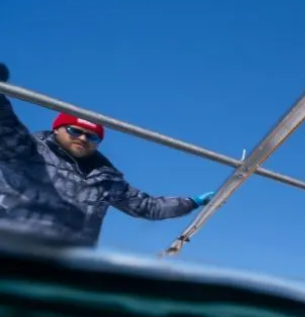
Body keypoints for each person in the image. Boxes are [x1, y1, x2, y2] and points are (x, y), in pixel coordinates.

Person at [0, 63, 213, 248]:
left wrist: (191, 202)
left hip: (68, 263)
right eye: (75, 131)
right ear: (57, 129)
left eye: (92, 137)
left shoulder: (105, 179)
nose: (83, 138)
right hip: (14, 250)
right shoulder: (27, 151)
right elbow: (5, 127)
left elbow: (148, 207)